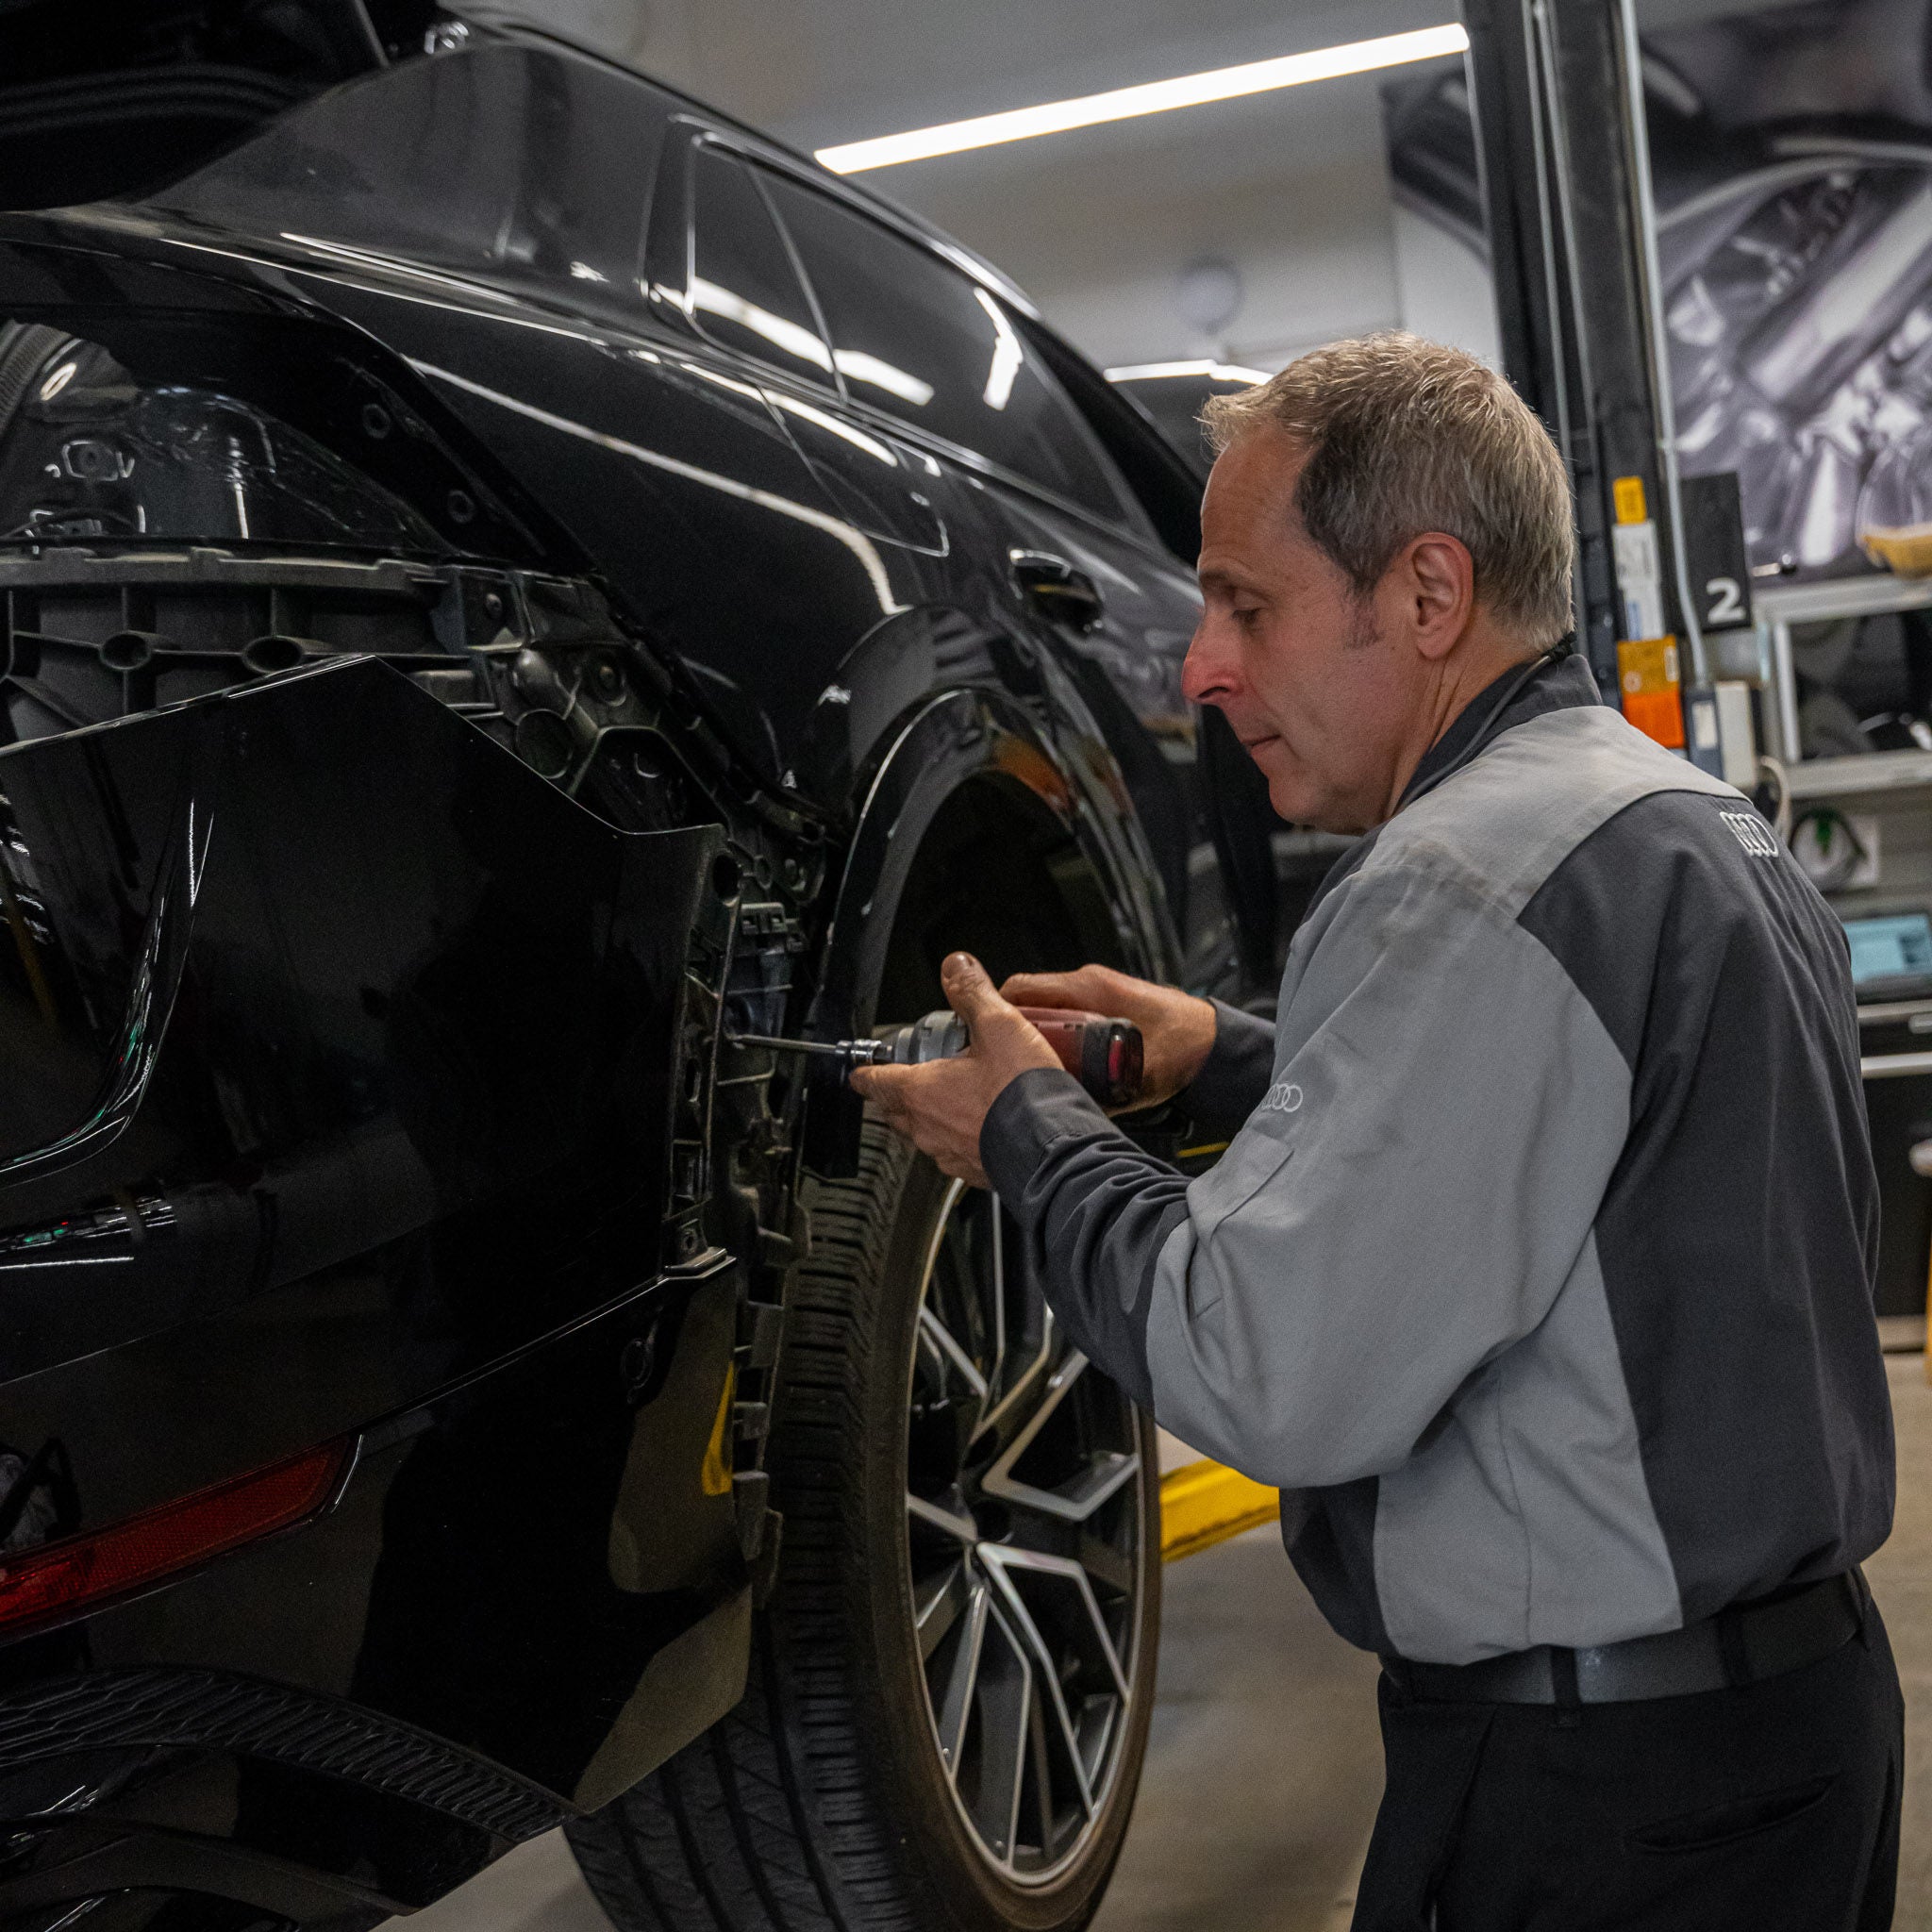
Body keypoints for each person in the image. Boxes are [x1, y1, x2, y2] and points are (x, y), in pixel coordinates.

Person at [852, 333, 1902, 1931]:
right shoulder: (1674, 823)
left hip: (1603, 1803)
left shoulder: (1457, 883)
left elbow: (1264, 1362)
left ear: (1426, 596)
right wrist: (1227, 1064)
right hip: (1783, 1742)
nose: (1200, 668)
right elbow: (1570, 1167)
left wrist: (1031, 1139)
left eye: (1243, 606)